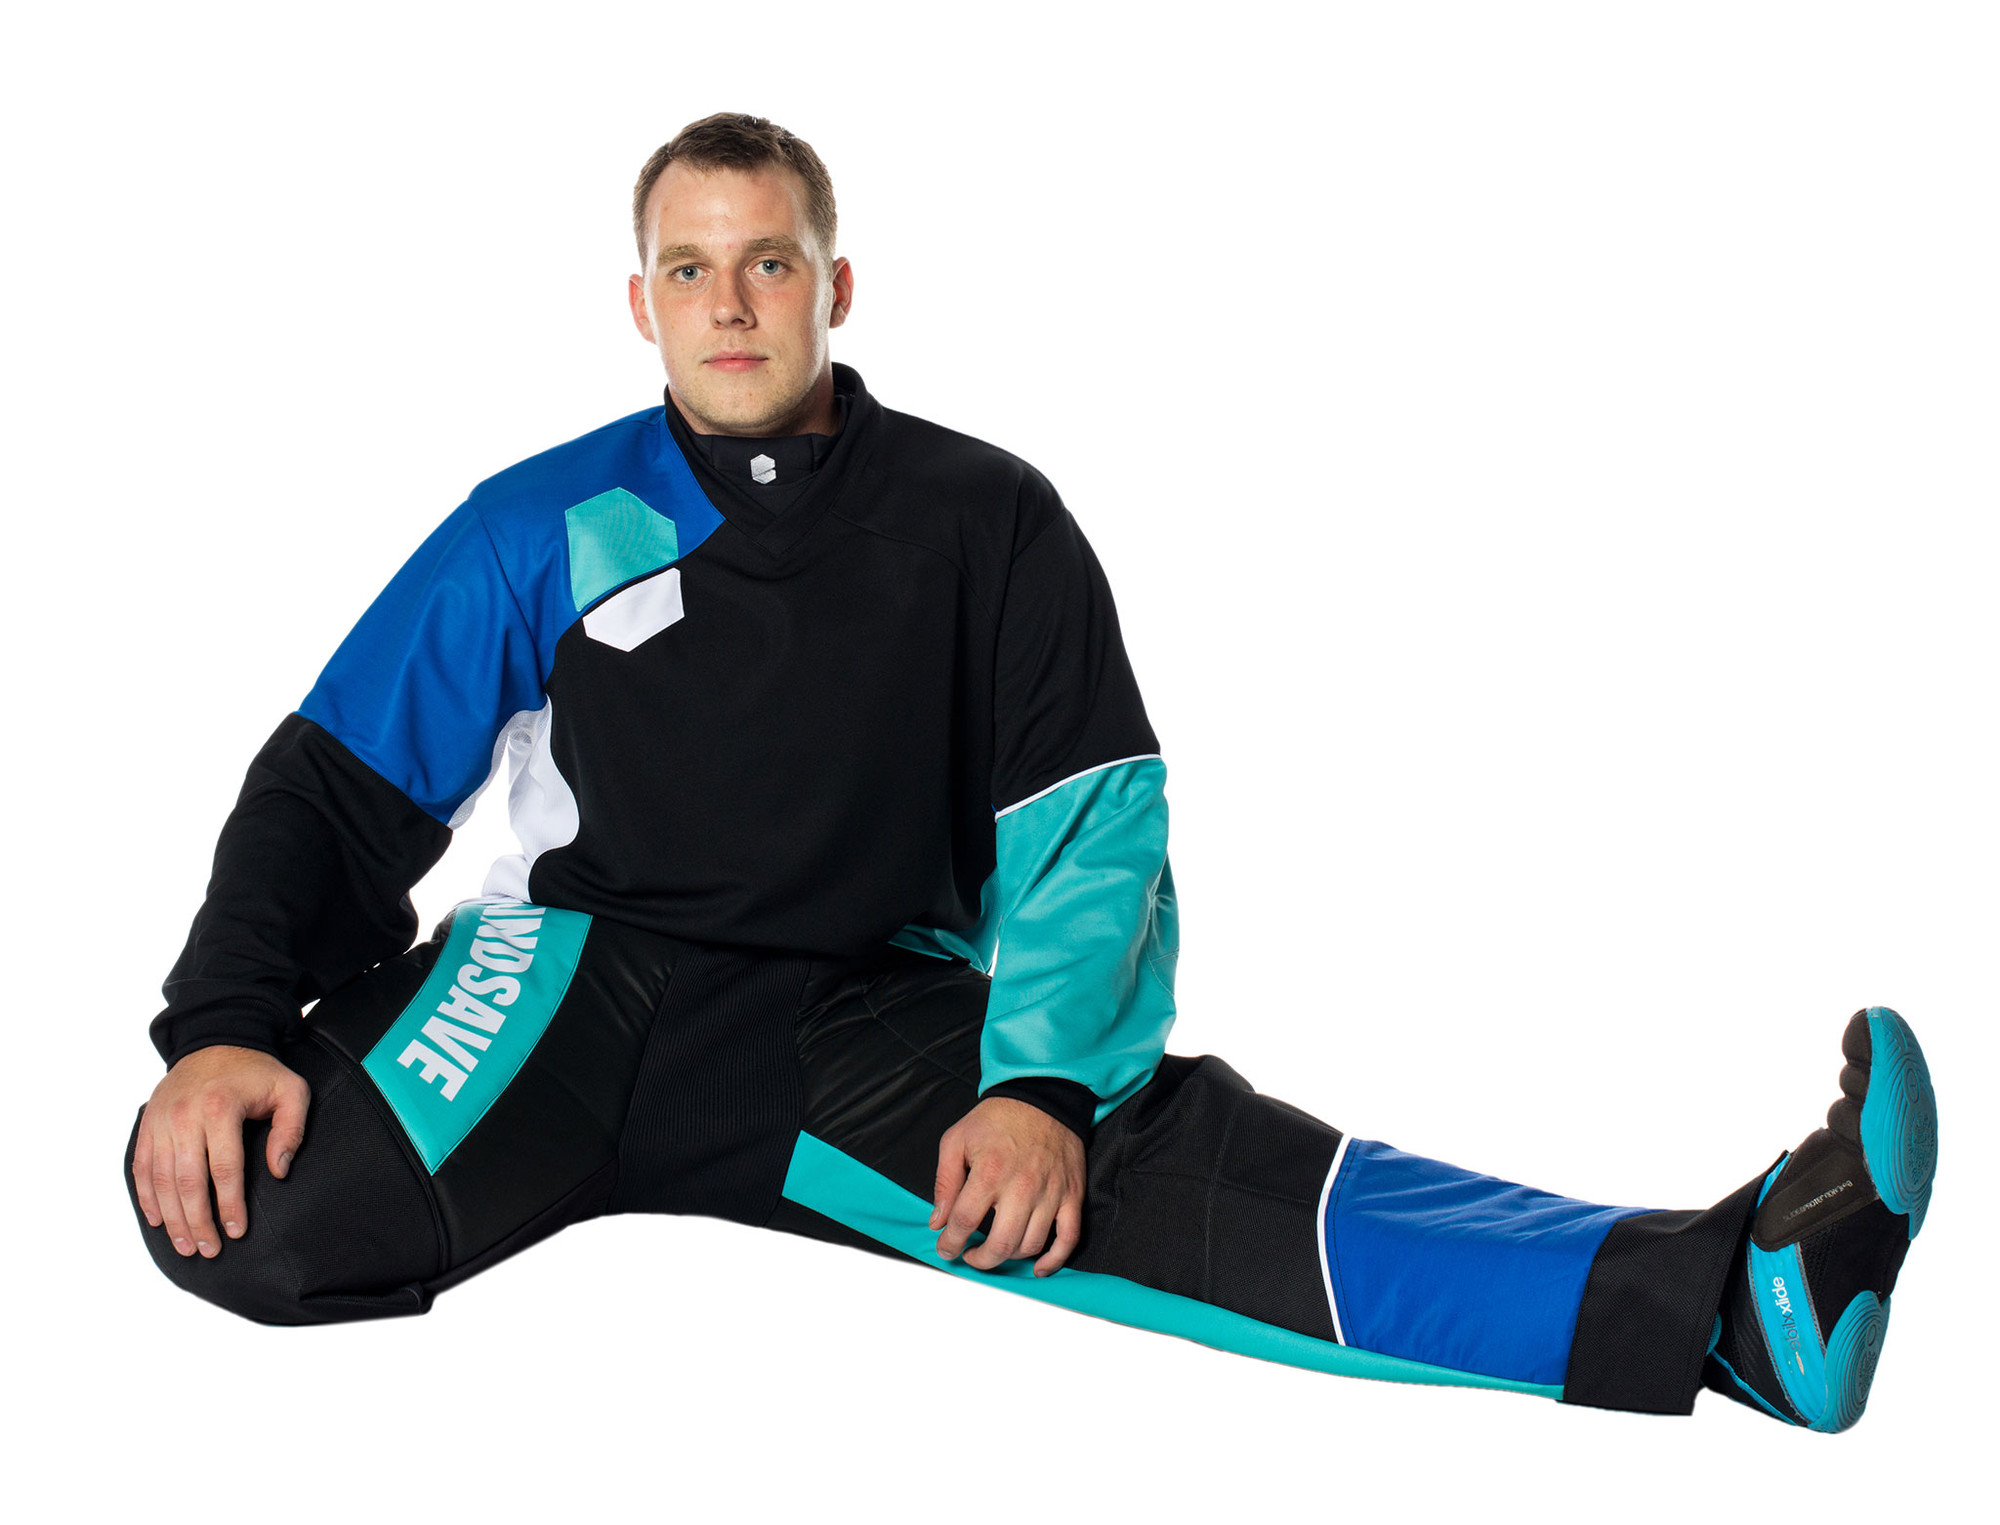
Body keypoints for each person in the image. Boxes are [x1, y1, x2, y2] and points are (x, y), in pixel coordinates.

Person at [123, 112, 1936, 1430]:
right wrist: (225, 1023)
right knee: (251, 1222)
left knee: (1181, 1193)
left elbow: (1091, 828)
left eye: (769, 262)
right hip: (566, 985)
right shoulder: (536, 524)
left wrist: (1046, 1085)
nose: (731, 303)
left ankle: (1738, 1302)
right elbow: (334, 786)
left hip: (853, 1013)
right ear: (641, 303)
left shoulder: (980, 518)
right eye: (691, 270)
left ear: (836, 283)